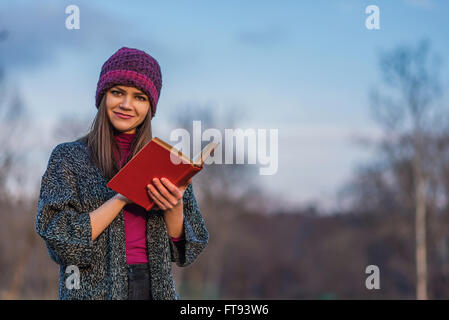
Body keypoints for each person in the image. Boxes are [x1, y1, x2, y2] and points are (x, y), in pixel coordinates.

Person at [35, 47, 209, 300]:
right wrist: (122, 197)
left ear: (150, 105)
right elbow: (61, 242)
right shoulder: (68, 157)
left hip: (154, 290)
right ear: (103, 96)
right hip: (93, 294)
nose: (127, 105)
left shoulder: (165, 160)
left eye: (139, 97)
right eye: (117, 92)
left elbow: (187, 251)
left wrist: (174, 206)